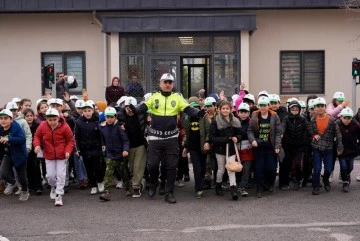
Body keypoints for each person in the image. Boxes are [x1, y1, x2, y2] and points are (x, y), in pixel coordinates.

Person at [135, 73, 206, 203]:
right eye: (165, 82)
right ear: (160, 83)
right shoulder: (154, 97)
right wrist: (133, 109)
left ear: (172, 85)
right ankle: (154, 183)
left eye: (170, 82)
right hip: (155, 138)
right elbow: (142, 107)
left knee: (172, 166)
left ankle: (169, 193)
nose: (167, 84)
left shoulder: (177, 98)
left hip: (171, 138)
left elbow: (189, 109)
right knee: (152, 165)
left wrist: (199, 113)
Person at [33, 108, 75, 206]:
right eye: (50, 120)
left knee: (61, 175)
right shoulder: (42, 126)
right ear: (46, 119)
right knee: (50, 176)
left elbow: (70, 140)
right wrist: (37, 145)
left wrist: (68, 151)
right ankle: (53, 187)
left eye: (54, 120)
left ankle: (59, 195)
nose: (52, 122)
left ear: (58, 118)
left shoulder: (64, 126)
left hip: (62, 155)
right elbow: (37, 136)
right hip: (48, 154)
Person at [247, 96, 282, 198]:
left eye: (265, 105)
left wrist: (277, 146)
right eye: (261, 105)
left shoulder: (274, 116)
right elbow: (250, 131)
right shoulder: (254, 116)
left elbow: (278, 132)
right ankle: (259, 188)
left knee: (271, 168)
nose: (263, 107)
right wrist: (253, 140)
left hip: (271, 147)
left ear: (268, 106)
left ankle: (270, 183)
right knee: (259, 168)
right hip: (259, 147)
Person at [209, 100, 242, 200]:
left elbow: (240, 133)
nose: (225, 110)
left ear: (231, 109)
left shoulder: (235, 121)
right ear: (219, 109)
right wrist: (225, 139)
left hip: (231, 149)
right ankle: (218, 185)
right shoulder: (215, 121)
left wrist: (237, 138)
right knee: (221, 169)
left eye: (227, 108)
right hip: (220, 149)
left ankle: (233, 189)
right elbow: (212, 137)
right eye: (223, 108)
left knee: (231, 169)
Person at [311, 97, 343, 195]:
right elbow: (310, 132)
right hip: (316, 147)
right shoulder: (312, 119)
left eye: (322, 106)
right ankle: (316, 186)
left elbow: (338, 134)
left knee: (329, 168)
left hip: (329, 148)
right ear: (315, 108)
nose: (320, 108)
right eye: (318, 106)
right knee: (317, 169)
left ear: (325, 107)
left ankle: (325, 180)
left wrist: (339, 147)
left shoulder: (332, 120)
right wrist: (313, 135)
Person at [117, 97, 147, 198]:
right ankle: (135, 182)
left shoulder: (141, 114)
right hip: (127, 146)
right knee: (131, 167)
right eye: (126, 107)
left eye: (131, 107)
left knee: (138, 166)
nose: (129, 109)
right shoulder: (120, 116)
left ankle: (136, 187)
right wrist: (120, 127)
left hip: (140, 144)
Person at [280, 101, 314, 190]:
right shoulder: (286, 118)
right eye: (292, 109)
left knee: (298, 164)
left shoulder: (303, 119)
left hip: (299, 146)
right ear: (289, 110)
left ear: (299, 110)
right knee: (287, 164)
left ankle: (297, 180)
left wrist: (313, 134)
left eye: (296, 109)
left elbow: (309, 127)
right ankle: (285, 182)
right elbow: (283, 126)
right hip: (288, 146)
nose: (294, 111)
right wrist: (281, 133)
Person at [99, 107, 131, 201]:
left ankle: (127, 187)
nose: (109, 119)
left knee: (123, 173)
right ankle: (107, 192)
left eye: (111, 117)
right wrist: (103, 149)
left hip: (120, 154)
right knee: (108, 172)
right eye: (107, 117)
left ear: (115, 117)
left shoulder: (119, 128)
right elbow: (102, 140)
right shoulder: (102, 128)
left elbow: (125, 140)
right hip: (109, 154)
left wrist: (125, 150)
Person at [75, 101, 104, 195]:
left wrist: (103, 144)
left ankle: (100, 182)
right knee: (89, 169)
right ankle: (93, 185)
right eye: (85, 111)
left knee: (98, 167)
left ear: (92, 111)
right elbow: (77, 137)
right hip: (85, 149)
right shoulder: (79, 122)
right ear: (82, 112)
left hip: (96, 148)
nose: (87, 113)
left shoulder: (97, 120)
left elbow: (101, 135)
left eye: (89, 110)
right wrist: (78, 148)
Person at [182, 100, 210, 199]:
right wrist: (185, 147)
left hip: (202, 147)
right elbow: (187, 134)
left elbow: (208, 131)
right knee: (196, 168)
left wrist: (207, 142)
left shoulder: (204, 117)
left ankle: (200, 183)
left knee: (202, 168)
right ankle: (199, 189)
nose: (195, 110)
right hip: (193, 148)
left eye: (196, 107)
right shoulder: (187, 118)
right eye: (192, 108)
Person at [0, 109, 29, 201]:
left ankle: (25, 191)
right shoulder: (0, 128)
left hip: (19, 155)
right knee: (3, 173)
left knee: (22, 177)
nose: (3, 121)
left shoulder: (16, 127)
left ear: (11, 119)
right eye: (1, 118)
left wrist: (9, 139)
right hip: (7, 154)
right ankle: (13, 183)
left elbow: (22, 139)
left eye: (5, 118)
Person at [336, 108, 360, 192]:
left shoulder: (355, 125)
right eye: (345, 118)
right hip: (341, 150)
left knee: (350, 167)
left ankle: (347, 175)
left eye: (349, 118)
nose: (347, 120)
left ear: (351, 118)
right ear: (341, 117)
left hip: (352, 149)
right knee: (343, 166)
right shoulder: (337, 125)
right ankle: (345, 183)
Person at [23, 108, 43, 195]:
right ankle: (31, 186)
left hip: (35, 149)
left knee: (36, 166)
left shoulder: (37, 125)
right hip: (26, 149)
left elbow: (40, 137)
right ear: (24, 117)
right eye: (27, 116)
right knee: (28, 167)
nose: (29, 118)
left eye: (31, 116)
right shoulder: (22, 126)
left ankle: (38, 186)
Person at [236, 102, 254, 197]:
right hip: (236, 150)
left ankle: (243, 187)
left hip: (248, 149)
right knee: (237, 169)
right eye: (241, 112)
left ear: (248, 113)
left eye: (245, 112)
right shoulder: (234, 121)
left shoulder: (252, 122)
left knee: (246, 169)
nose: (243, 114)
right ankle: (237, 185)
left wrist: (238, 132)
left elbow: (248, 134)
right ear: (238, 112)